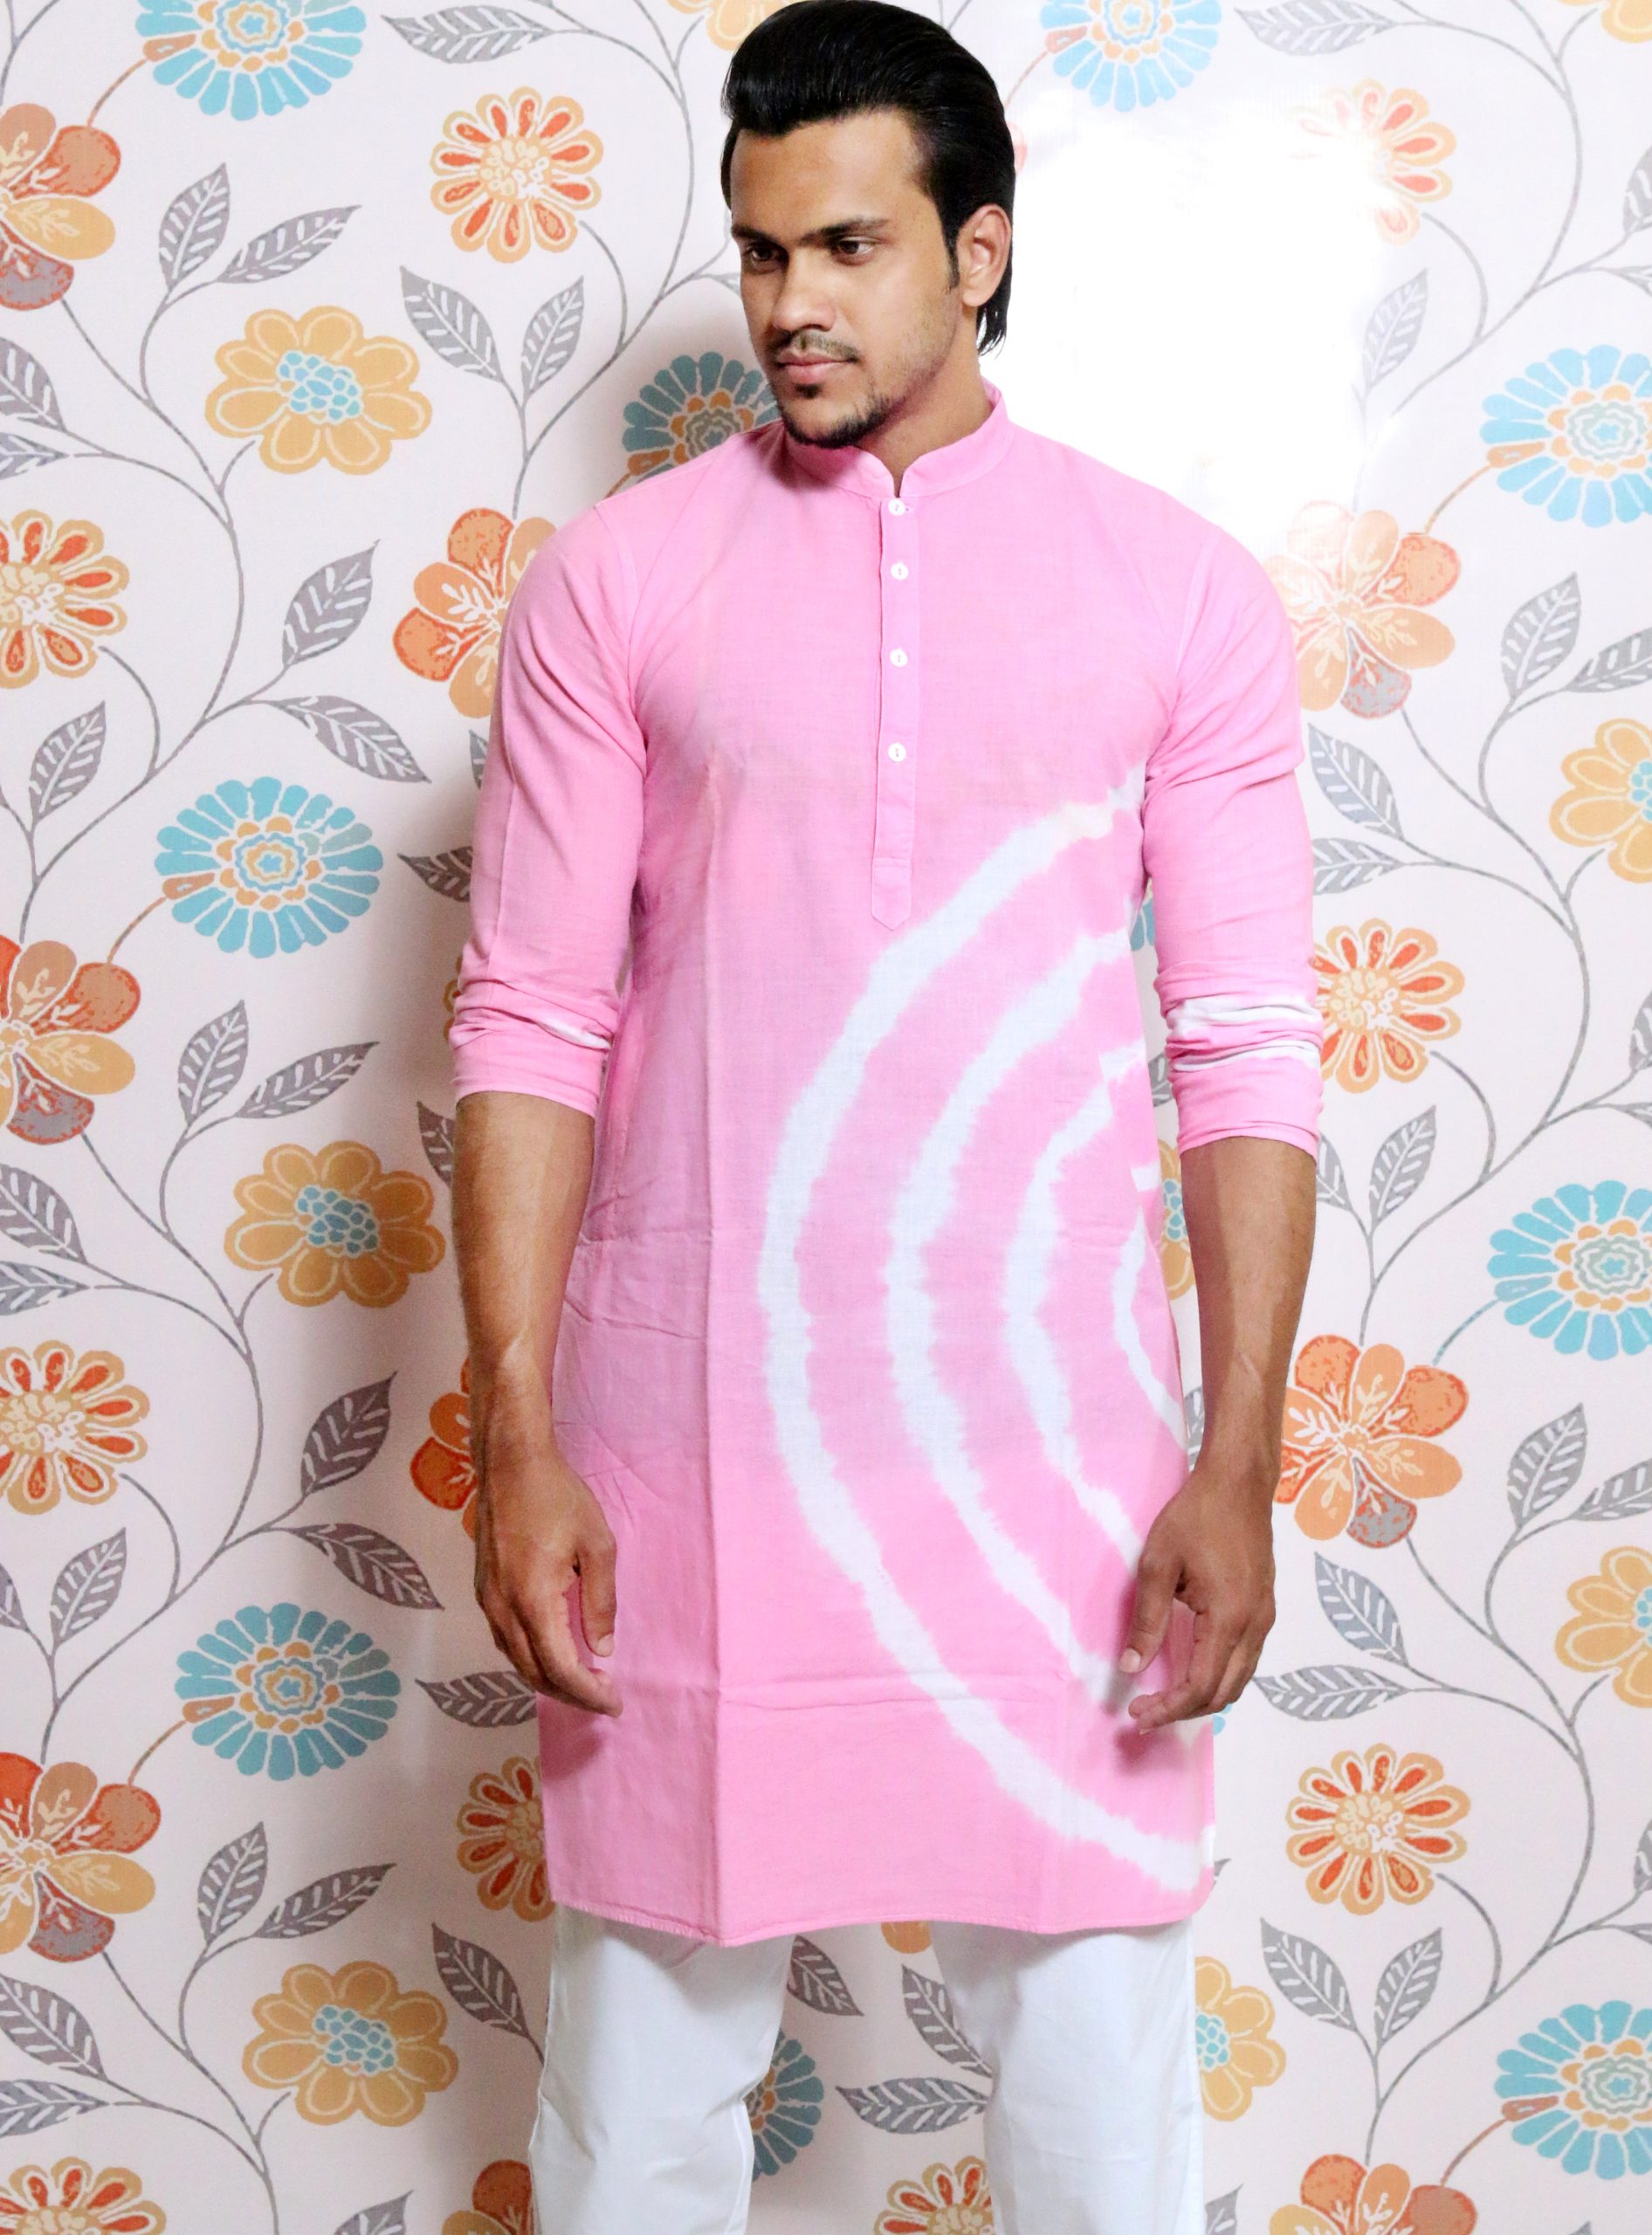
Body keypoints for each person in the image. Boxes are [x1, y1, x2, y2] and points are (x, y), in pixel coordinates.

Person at [446, 2, 1323, 2227]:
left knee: (1102, 2100)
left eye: (847, 245)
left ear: (980, 250)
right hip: (691, 1437)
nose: (790, 304)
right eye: (761, 251)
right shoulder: (620, 580)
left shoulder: (1179, 591)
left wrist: (1237, 1456)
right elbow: (531, 1016)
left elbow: (1243, 1038)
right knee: (639, 2091)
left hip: (1059, 1444)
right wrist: (517, 1429)